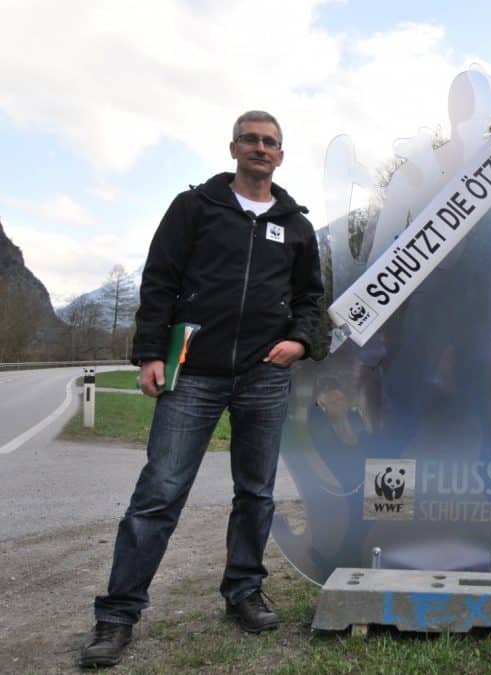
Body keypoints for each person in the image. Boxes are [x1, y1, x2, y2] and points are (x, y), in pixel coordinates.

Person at [80, 111, 324, 668]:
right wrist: (148, 354)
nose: (261, 149)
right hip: (193, 373)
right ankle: (117, 615)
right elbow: (159, 280)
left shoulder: (297, 224)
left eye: (271, 142)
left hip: (264, 374)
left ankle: (243, 591)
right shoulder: (194, 208)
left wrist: (300, 343)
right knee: (160, 492)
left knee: (256, 492)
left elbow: (311, 297)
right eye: (251, 140)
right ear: (234, 147)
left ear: (282, 155)